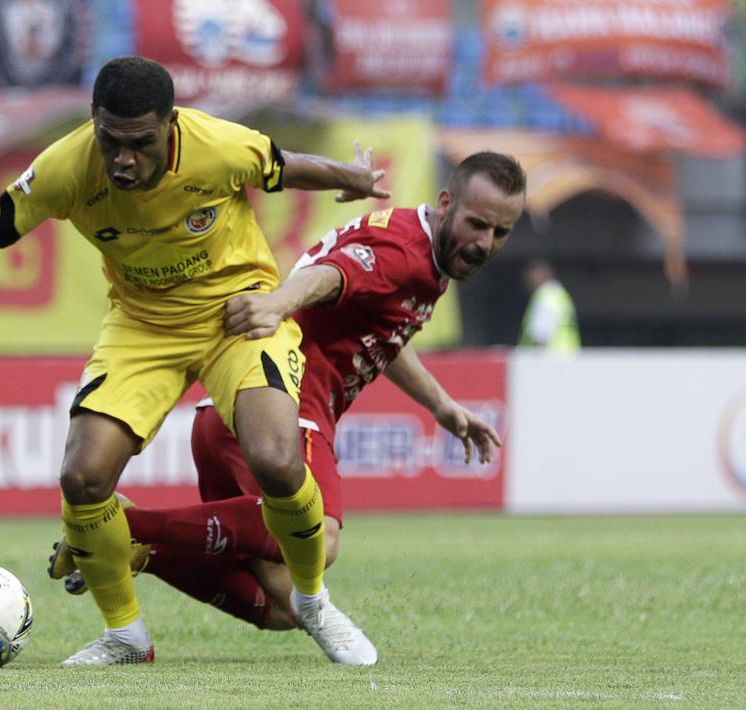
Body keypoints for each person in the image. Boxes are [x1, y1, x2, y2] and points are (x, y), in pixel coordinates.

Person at [0, 56, 389, 666]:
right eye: (109, 140)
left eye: (140, 144)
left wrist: (350, 178)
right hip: (141, 326)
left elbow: (283, 166)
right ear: (94, 122)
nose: (122, 159)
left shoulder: (219, 146)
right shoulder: (65, 168)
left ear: (171, 126)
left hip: (236, 314)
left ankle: (312, 603)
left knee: (276, 459)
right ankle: (127, 636)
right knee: (82, 478)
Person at [52, 151, 527, 660]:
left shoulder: (423, 253)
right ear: (447, 202)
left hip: (230, 417)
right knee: (320, 541)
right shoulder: (405, 251)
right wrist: (276, 303)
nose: (484, 244)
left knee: (283, 606)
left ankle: (140, 550)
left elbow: (380, 330)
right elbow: (330, 275)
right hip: (283, 406)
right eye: (477, 224)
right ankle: (120, 528)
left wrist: (442, 406)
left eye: (500, 232)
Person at [519, 259, 580, 352]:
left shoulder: (545, 297)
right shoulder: (559, 295)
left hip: (549, 360)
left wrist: (530, 361)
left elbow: (539, 335)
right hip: (567, 357)